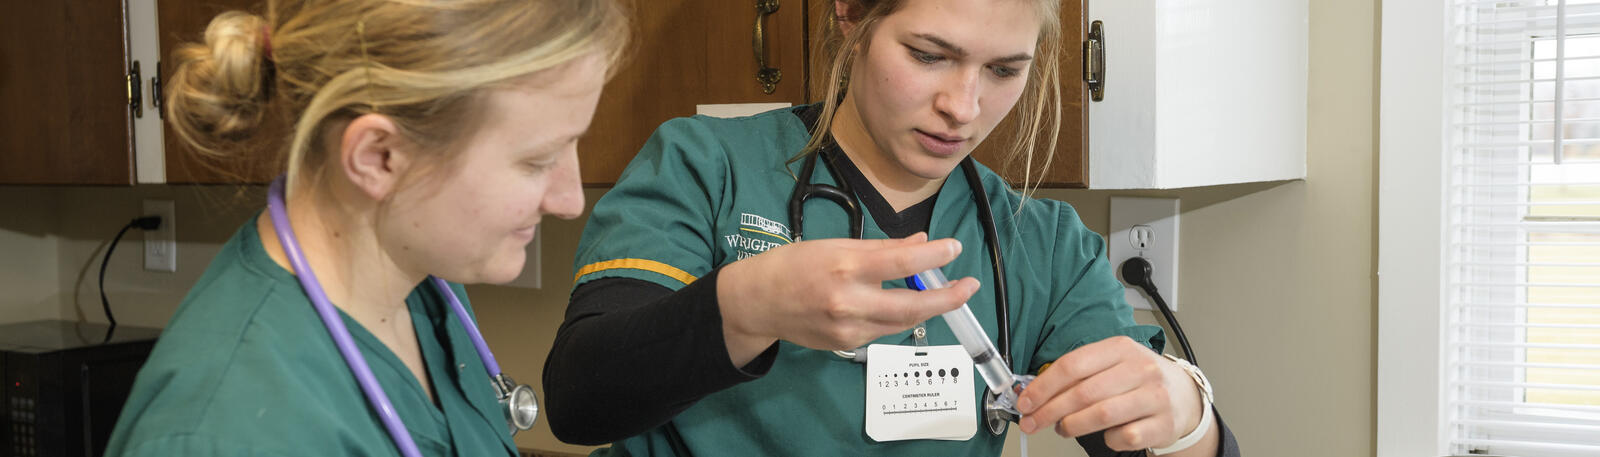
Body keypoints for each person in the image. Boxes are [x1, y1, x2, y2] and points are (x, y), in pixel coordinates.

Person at [543, 0, 1242, 456]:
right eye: (929, 55)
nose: (962, 106)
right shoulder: (706, 165)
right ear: (851, 15)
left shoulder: (1045, 246)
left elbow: (1141, 432)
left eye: (1003, 70)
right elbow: (580, 396)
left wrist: (1186, 415)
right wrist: (748, 304)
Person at [104, 1, 626, 455]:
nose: (570, 200)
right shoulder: (224, 431)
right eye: (538, 160)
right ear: (379, 157)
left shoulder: (425, 288)